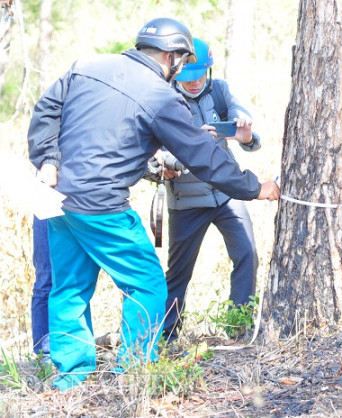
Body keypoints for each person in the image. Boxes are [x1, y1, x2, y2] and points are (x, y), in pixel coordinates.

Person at [27, 17, 280, 391]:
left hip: (57, 198)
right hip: (102, 206)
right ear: (171, 55)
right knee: (147, 285)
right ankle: (134, 372)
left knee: (69, 288)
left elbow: (45, 110)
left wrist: (48, 160)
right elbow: (203, 156)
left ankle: (71, 378)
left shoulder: (87, 66)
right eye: (182, 60)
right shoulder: (160, 96)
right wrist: (254, 187)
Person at [159, 37, 261, 342]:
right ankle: (166, 336)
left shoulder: (219, 91)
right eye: (187, 79)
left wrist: (245, 135)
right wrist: (191, 152)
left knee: (247, 255)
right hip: (186, 201)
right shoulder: (164, 101)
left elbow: (247, 130)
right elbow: (159, 154)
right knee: (179, 273)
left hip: (226, 193)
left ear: (209, 71)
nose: (194, 84)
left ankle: (238, 328)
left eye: (200, 76)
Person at [31, 216, 52, 363]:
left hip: (84, 203)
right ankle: (45, 355)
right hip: (47, 207)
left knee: (75, 281)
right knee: (45, 279)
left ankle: (76, 352)